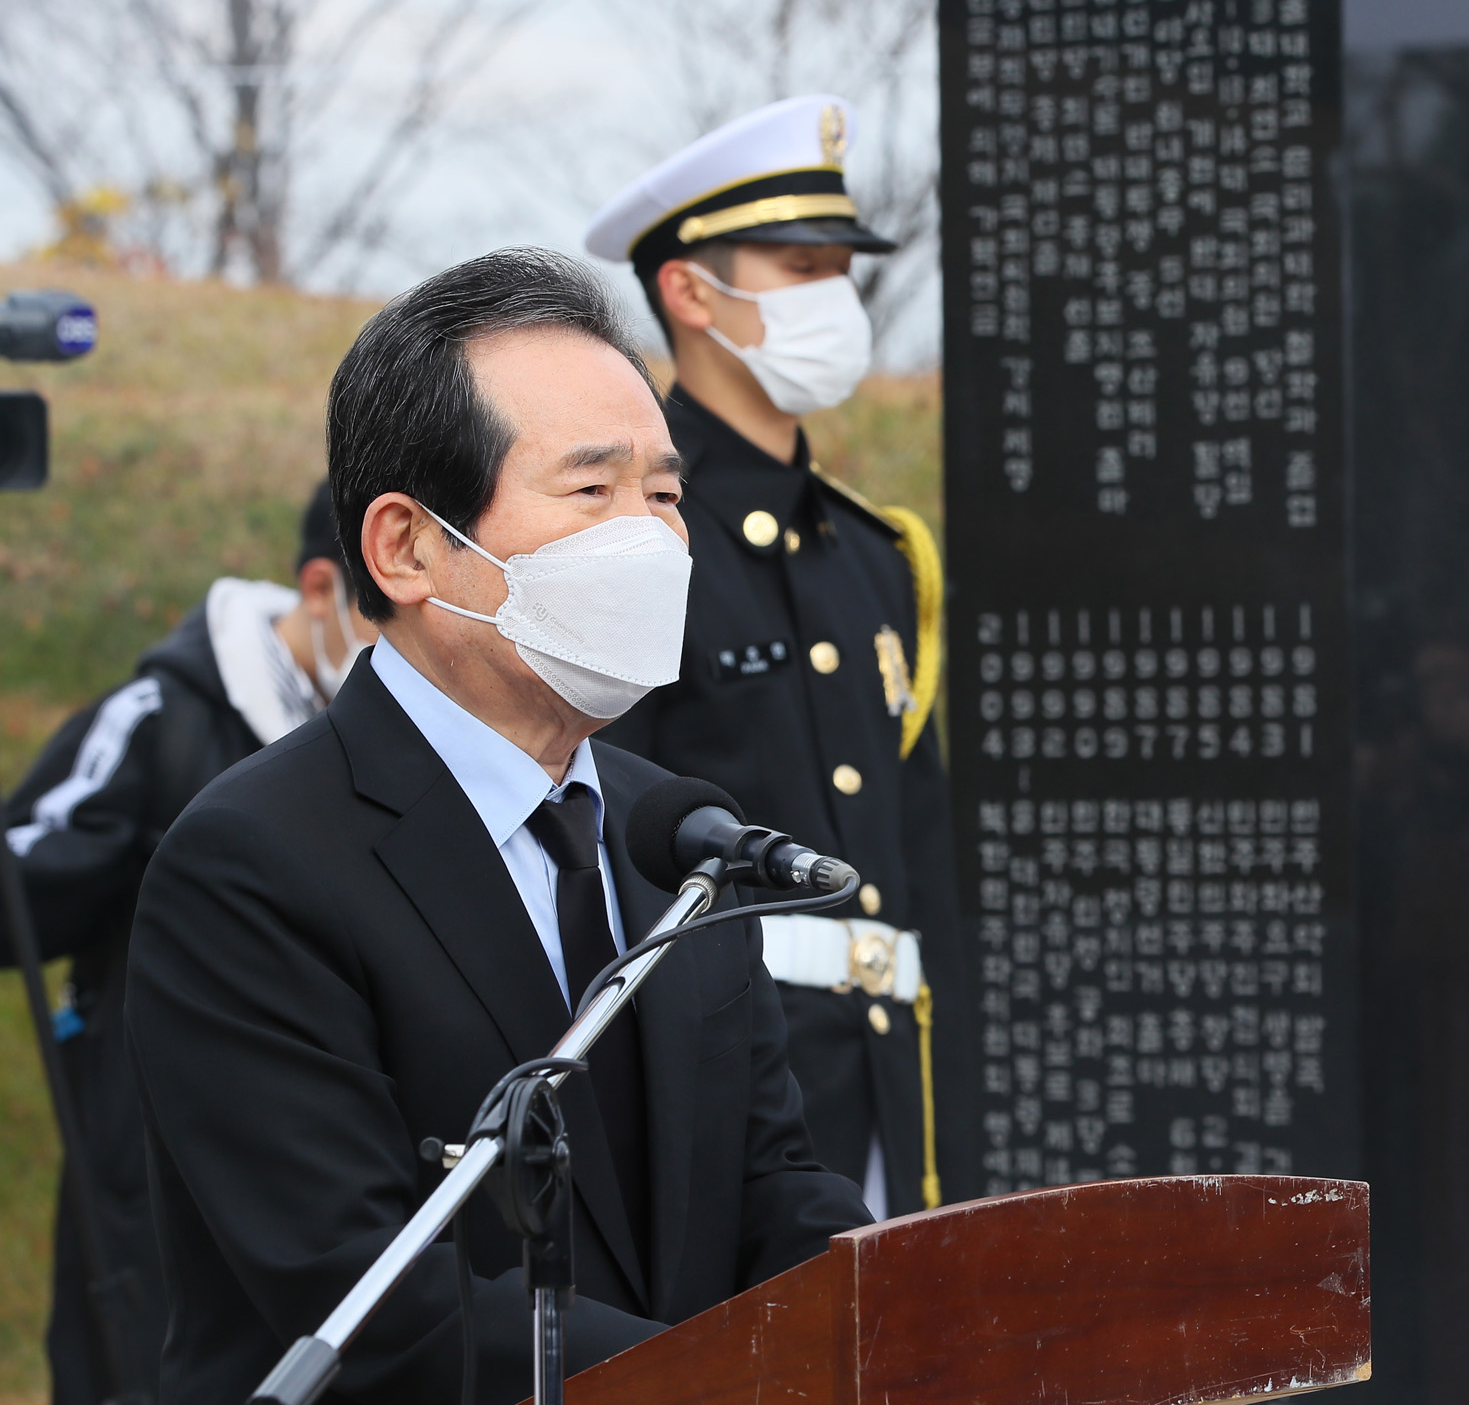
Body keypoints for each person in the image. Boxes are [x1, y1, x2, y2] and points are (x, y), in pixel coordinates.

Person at [125, 248, 872, 1404]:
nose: (652, 539)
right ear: (406, 548)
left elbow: (769, 1184)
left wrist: (907, 1324)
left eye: (665, 494)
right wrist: (734, 1382)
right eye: (591, 491)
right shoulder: (252, 865)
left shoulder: (678, 840)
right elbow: (377, 1303)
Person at [582, 95, 974, 1219]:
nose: (834, 300)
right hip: (721, 1092)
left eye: (839, 269)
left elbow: (922, 858)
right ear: (689, 290)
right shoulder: (633, 542)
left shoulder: (876, 553)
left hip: (895, 1085)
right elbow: (604, 850)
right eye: (799, 266)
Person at [3, 482, 375, 1405]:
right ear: (321, 588)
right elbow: (26, 876)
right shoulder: (163, 721)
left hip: (331, 1166)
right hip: (154, 1166)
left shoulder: (381, 752)